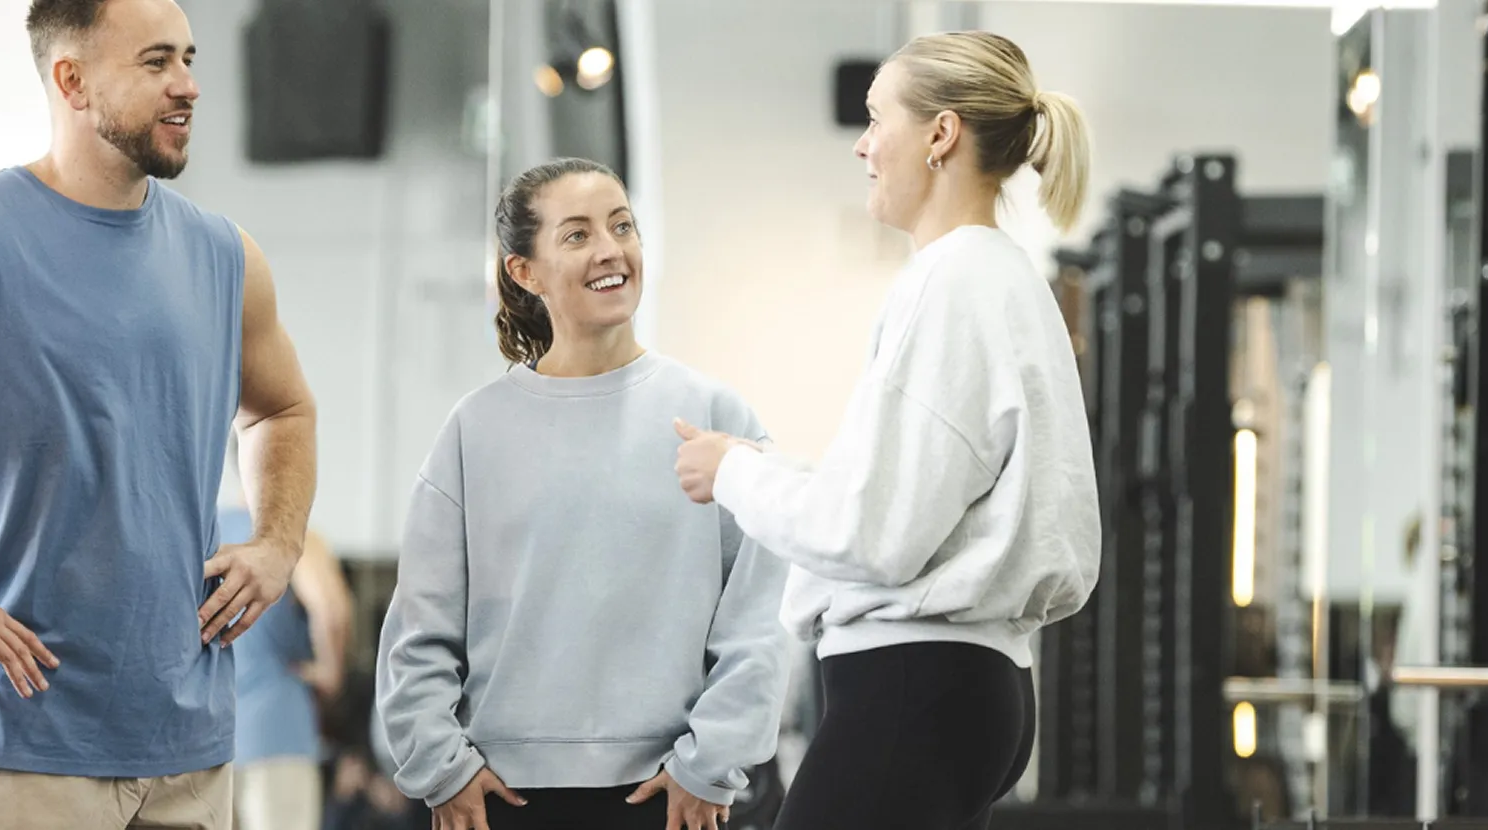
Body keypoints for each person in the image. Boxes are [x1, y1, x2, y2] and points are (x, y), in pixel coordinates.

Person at [0, 0, 320, 825]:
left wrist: (277, 542)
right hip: (27, 730)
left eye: (189, 60)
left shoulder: (227, 254)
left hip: (189, 736)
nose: (189, 86)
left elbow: (284, 410)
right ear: (73, 80)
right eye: (157, 63)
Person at [667, 30, 1102, 830]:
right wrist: (764, 464)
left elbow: (875, 535)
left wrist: (733, 477)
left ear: (941, 135)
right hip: (962, 687)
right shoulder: (1000, 278)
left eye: (876, 119)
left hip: (913, 688)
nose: (864, 146)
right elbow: (910, 504)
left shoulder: (954, 282)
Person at [377, 158, 790, 830]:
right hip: (501, 798)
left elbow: (757, 622)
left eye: (622, 226)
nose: (610, 250)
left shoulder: (716, 415)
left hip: (671, 796)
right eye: (577, 235)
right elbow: (420, 632)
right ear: (524, 272)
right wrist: (441, 767)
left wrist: (710, 763)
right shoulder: (474, 430)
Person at [230, 524, 353, 830]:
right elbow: (331, 609)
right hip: (278, 733)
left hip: (214, 740)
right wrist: (330, 671)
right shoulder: (290, 537)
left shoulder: (211, 525)